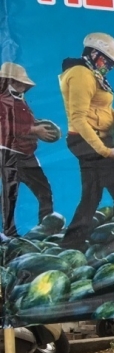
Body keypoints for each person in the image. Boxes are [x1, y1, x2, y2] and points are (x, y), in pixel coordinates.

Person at [58, 32, 114, 250]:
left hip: (91, 141)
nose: (110, 66)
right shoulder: (81, 75)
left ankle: (70, 244)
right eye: (108, 61)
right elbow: (78, 118)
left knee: (91, 196)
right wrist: (105, 151)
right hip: (87, 141)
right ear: (94, 54)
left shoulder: (92, 74)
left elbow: (102, 108)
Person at [0, 62, 57, 237]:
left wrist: (37, 125)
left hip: (26, 153)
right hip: (9, 153)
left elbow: (22, 122)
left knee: (43, 191)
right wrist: (34, 130)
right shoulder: (3, 100)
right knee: (11, 195)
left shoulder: (20, 99)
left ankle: (45, 229)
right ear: (10, 81)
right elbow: (5, 127)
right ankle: (10, 234)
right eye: (20, 82)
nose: (23, 86)